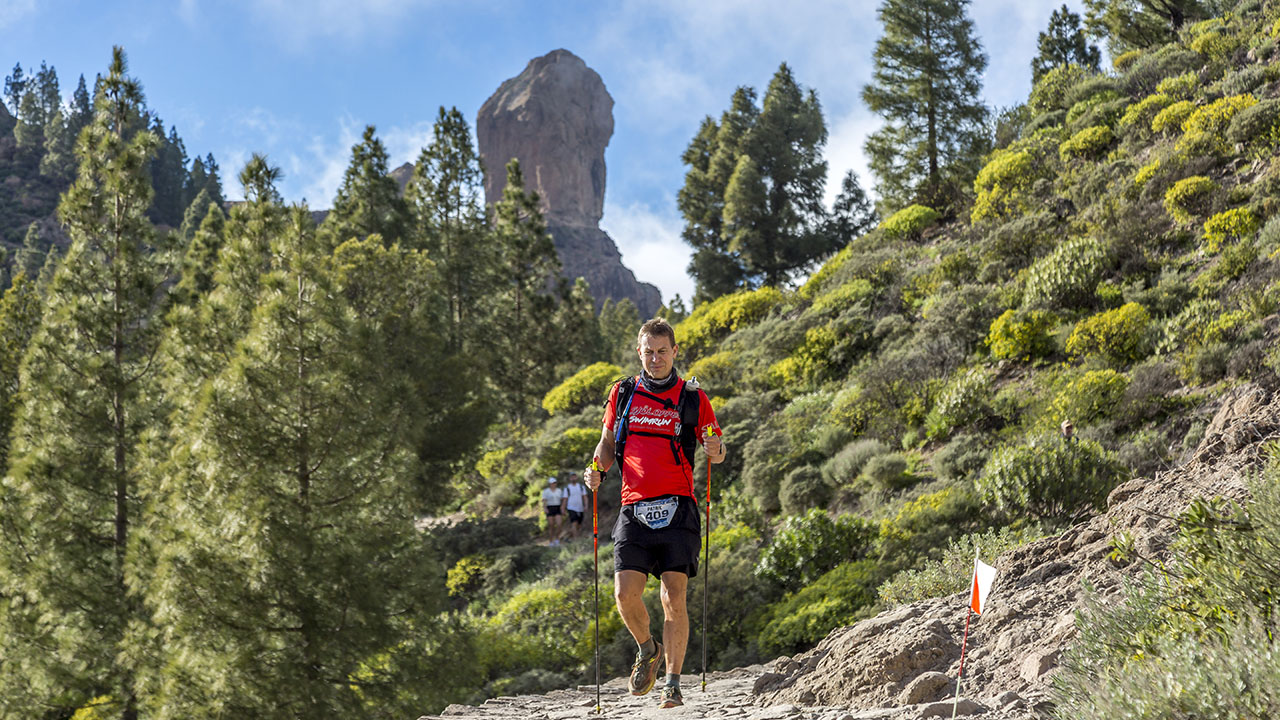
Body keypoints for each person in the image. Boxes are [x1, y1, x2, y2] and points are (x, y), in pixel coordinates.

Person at [584, 318, 726, 709]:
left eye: (663, 351)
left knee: (672, 597)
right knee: (624, 594)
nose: (656, 358)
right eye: (649, 351)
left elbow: (716, 444)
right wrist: (596, 470)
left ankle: (673, 684)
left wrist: (716, 450)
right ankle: (648, 649)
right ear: (639, 351)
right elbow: (608, 443)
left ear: (674, 351)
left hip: (678, 507)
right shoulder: (623, 392)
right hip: (633, 507)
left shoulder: (693, 397)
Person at [562, 471, 588, 541]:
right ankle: (576, 540)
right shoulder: (567, 488)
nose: (573, 478)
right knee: (574, 523)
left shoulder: (581, 487)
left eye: (574, 476)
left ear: (576, 477)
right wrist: (563, 509)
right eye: (571, 477)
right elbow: (565, 499)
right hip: (571, 508)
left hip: (580, 508)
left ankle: (568, 536)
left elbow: (585, 497)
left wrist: (586, 505)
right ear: (570, 478)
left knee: (579, 525)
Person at [541, 477, 564, 547]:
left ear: (556, 483)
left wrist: (562, 507)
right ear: (549, 484)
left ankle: (557, 539)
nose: (553, 484)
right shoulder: (546, 491)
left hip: (557, 508)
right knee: (551, 525)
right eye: (551, 483)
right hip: (550, 508)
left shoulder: (559, 491)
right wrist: (545, 508)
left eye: (554, 483)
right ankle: (551, 541)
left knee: (559, 524)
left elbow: (562, 500)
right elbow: (544, 501)